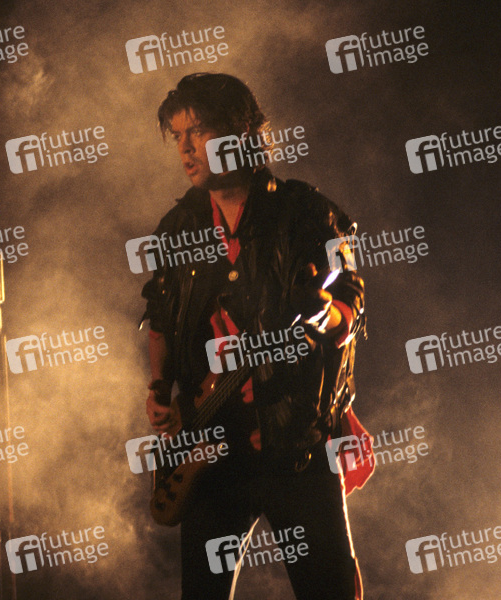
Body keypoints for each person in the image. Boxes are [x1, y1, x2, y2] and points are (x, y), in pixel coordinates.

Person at [139, 73, 373, 600]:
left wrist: (322, 319)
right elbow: (160, 319)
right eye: (178, 135)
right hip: (211, 452)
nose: (185, 148)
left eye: (198, 130)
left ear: (240, 130)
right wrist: (158, 389)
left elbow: (348, 305)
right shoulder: (178, 228)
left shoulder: (303, 212)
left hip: (294, 445)